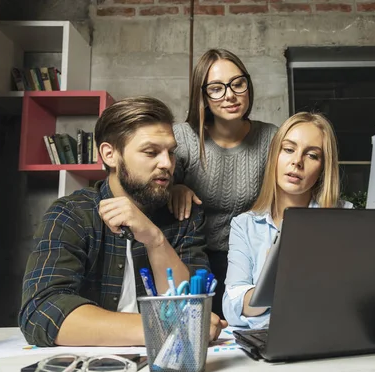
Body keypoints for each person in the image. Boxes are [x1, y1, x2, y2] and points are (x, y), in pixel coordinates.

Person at [19, 96, 227, 347]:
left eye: (170, 152)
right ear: (109, 154)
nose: (167, 164)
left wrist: (155, 240)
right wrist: (161, 326)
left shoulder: (185, 215)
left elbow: (195, 306)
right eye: (151, 152)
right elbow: (41, 312)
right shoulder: (71, 214)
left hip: (169, 364)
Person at [171, 49, 278, 317]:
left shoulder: (270, 138)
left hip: (250, 262)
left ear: (247, 85)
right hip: (194, 260)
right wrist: (175, 187)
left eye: (237, 84)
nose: (230, 95)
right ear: (203, 96)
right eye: (216, 89)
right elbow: (154, 188)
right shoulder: (183, 138)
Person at [222, 112, 353, 328]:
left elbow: (354, 297)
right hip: (268, 338)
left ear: (323, 168)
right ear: (275, 155)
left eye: (312, 155)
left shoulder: (344, 216)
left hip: (327, 334)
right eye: (289, 149)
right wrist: (272, 281)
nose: (297, 162)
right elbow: (232, 307)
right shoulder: (244, 225)